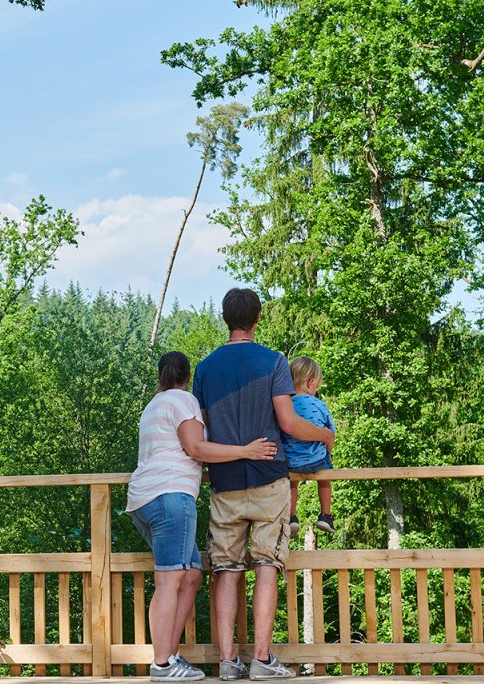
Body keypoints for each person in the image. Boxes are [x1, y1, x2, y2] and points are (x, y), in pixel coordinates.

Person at [191, 289, 335, 681]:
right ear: (257, 318)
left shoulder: (204, 369)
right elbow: (288, 423)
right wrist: (323, 435)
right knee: (267, 564)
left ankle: (226, 660)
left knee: (226, 569)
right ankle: (261, 659)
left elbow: (200, 430)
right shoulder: (273, 361)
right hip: (270, 477)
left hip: (223, 482)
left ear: (225, 318)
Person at [128, 351, 278, 682]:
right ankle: (162, 665)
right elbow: (196, 448)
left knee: (192, 574)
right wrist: (245, 451)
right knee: (169, 581)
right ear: (187, 376)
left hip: (143, 498)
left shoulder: (154, 405)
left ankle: (169, 655)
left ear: (161, 375)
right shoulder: (184, 401)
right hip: (170, 496)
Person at [282, 356, 336, 535]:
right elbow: (330, 435)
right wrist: (327, 454)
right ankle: (325, 515)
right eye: (317, 385)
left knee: (292, 484)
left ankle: (291, 517)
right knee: (325, 478)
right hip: (317, 460)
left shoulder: (285, 405)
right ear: (310, 383)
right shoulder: (320, 405)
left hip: (291, 461)